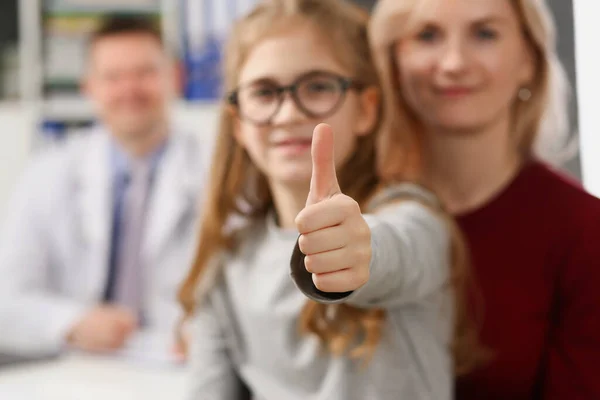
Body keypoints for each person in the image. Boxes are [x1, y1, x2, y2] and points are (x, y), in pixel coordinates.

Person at [178, 0, 485, 399]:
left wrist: (355, 250)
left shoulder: (414, 216)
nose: (288, 113)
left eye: (318, 86)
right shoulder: (227, 265)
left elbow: (394, 250)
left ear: (366, 110)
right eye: (265, 92)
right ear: (238, 122)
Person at [369, 0, 600, 399]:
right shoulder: (359, 221)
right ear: (392, 59)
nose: (454, 62)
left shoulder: (585, 230)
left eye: (484, 34)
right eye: (427, 35)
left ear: (529, 58)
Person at [0, 16, 209, 357]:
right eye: (113, 77)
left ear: (176, 78)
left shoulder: (213, 174)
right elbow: (5, 299)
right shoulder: (47, 173)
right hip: (73, 370)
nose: (130, 90)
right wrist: (71, 321)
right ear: (89, 87)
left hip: (182, 368)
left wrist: (199, 332)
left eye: (145, 73)